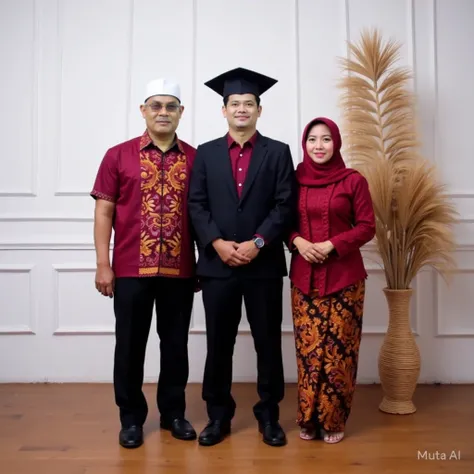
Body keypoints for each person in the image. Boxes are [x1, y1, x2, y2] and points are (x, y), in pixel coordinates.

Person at [188, 67, 296, 447]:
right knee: (219, 343)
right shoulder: (205, 153)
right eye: (235, 103)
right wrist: (216, 243)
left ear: (259, 110)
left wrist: (259, 243)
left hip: (262, 265)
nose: (242, 109)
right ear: (224, 110)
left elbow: (285, 206)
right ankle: (218, 416)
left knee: (268, 341)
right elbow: (196, 206)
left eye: (249, 103)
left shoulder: (278, 152)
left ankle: (269, 416)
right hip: (218, 266)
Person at [91, 78, 198, 448]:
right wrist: (103, 265)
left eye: (171, 106)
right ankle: (131, 419)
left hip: (180, 270)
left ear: (181, 112)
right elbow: (103, 212)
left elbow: (203, 214)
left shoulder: (195, 158)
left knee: (175, 346)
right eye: (156, 105)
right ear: (143, 111)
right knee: (130, 345)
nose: (163, 112)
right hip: (130, 269)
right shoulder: (117, 155)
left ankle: (173, 414)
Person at [288, 117, 375, 444]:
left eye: (326, 139)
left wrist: (332, 244)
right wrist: (298, 241)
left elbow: (367, 226)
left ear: (336, 143)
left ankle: (334, 419)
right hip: (303, 279)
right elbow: (283, 219)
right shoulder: (293, 179)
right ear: (304, 143)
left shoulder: (353, 181)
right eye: (313, 139)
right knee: (309, 353)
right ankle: (308, 419)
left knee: (339, 352)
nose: (319, 146)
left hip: (345, 279)